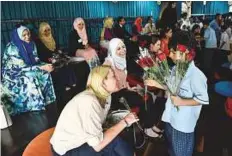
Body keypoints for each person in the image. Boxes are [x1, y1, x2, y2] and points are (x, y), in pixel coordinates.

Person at [50, 65, 138, 156]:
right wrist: (125, 121)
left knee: (118, 139)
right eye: (113, 76)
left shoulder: (106, 96)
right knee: (114, 142)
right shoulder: (90, 101)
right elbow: (98, 146)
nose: (118, 78)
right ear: (102, 82)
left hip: (83, 141)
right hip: (67, 151)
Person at [145, 42, 209, 156]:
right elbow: (171, 87)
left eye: (174, 52)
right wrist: (157, 84)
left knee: (181, 152)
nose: (170, 55)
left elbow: (203, 99)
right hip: (170, 118)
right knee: (172, 149)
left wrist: (182, 102)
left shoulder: (196, 75)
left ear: (187, 52)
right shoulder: (176, 69)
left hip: (182, 124)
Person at [104, 38, 163, 137]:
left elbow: (124, 79)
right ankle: (148, 127)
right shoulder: (108, 64)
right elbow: (107, 87)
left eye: (123, 47)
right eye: (118, 49)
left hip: (123, 90)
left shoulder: (121, 60)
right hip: (114, 96)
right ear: (112, 50)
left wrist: (128, 87)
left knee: (145, 94)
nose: (122, 50)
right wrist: (125, 88)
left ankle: (150, 124)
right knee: (145, 98)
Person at [1, 25, 56, 115]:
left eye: (28, 34)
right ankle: (34, 105)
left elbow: (36, 60)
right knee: (30, 78)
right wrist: (41, 67)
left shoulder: (32, 44)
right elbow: (20, 67)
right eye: (24, 35)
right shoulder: (12, 47)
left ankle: (47, 100)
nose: (27, 37)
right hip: (13, 73)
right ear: (18, 36)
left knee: (45, 74)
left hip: (28, 67)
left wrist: (46, 65)